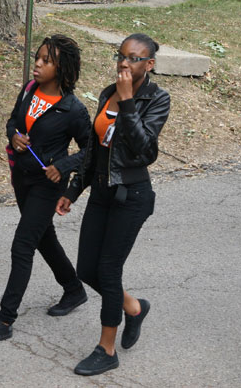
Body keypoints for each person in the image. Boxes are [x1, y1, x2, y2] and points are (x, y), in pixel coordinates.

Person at [55, 33, 170, 376]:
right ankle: (134, 307)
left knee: (107, 271)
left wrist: (128, 102)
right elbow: (95, 149)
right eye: (121, 56)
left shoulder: (156, 99)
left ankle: (106, 349)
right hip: (102, 194)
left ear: (149, 65)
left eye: (134, 58)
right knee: (87, 270)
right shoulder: (108, 93)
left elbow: (144, 151)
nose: (124, 63)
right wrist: (73, 190)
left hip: (132, 197)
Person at [0, 35, 91, 343]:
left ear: (62, 67)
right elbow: (13, 121)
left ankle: (5, 319)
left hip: (47, 184)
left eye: (46, 61)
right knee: (43, 237)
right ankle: (74, 290)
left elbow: (91, 149)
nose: (37, 64)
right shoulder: (29, 90)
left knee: (23, 245)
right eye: (37, 58)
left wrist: (63, 166)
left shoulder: (72, 109)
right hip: (21, 177)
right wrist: (14, 135)